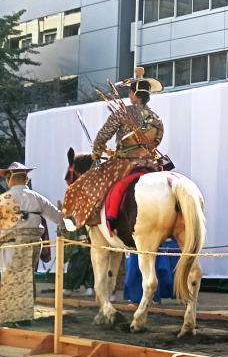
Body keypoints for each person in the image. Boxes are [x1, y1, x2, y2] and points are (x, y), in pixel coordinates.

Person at [62, 66, 165, 228]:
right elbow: (157, 139)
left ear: (135, 95)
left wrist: (97, 152)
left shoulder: (123, 113)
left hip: (124, 163)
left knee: (89, 182)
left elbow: (103, 134)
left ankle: (82, 219)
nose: (129, 95)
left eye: (130, 92)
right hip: (150, 162)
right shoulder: (156, 118)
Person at [0, 163, 65, 323]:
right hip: (34, 244)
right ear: (26, 179)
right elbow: (59, 218)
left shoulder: (4, 199)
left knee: (10, 278)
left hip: (13, 245)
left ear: (9, 179)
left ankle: (13, 316)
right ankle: (25, 314)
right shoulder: (37, 198)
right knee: (27, 277)